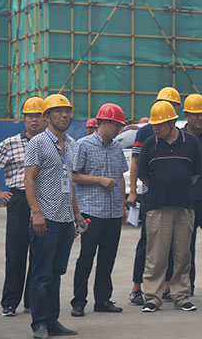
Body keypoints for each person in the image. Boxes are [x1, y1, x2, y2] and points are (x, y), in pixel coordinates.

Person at [24, 94, 85, 338]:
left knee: (56, 272)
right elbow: (29, 180)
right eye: (58, 111)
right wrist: (36, 213)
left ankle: (52, 321)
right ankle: (39, 323)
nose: (64, 115)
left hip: (65, 220)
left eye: (67, 111)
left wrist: (77, 214)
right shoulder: (37, 143)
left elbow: (68, 182)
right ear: (47, 117)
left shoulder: (69, 143)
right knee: (41, 273)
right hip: (45, 219)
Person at [138, 101, 200, 313]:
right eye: (154, 124)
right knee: (156, 254)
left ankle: (180, 296)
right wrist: (161, 188)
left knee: (183, 254)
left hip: (184, 206)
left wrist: (179, 187)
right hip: (157, 206)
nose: (155, 128)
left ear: (172, 122)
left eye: (160, 124)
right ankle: (152, 297)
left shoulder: (191, 142)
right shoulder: (149, 144)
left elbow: (195, 173)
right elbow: (143, 175)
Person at [70, 104, 128, 317]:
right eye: (116, 125)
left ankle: (102, 300)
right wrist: (99, 180)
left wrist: (122, 205)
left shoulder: (117, 147)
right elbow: (73, 175)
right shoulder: (83, 145)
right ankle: (78, 301)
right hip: (91, 211)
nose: (119, 130)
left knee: (107, 258)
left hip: (113, 212)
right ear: (104, 122)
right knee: (86, 257)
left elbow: (120, 176)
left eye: (120, 126)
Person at [126, 87, 181, 305]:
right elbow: (136, 162)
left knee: (172, 243)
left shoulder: (179, 133)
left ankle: (166, 286)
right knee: (148, 242)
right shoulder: (146, 131)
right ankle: (137, 288)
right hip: (152, 197)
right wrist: (133, 190)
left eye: (173, 106)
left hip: (174, 198)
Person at [0, 96, 46, 317]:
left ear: (45, 119)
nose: (34, 120)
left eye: (38, 116)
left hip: (44, 201)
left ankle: (32, 301)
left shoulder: (50, 143)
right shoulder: (10, 144)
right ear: (24, 119)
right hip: (19, 200)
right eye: (29, 116)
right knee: (16, 252)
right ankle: (10, 302)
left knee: (39, 252)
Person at [182, 94, 202, 295]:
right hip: (187, 200)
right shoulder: (179, 137)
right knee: (186, 247)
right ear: (186, 115)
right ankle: (188, 286)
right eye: (196, 114)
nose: (200, 118)